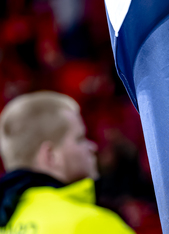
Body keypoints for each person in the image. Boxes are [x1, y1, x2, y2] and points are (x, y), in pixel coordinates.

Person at [0, 91, 134, 233]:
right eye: (80, 138)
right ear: (51, 156)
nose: (92, 147)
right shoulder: (90, 223)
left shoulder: (6, 224)